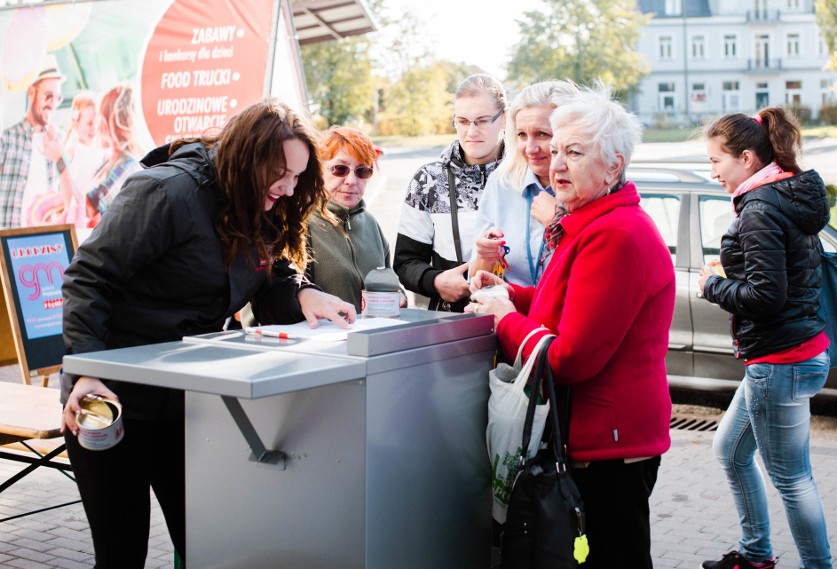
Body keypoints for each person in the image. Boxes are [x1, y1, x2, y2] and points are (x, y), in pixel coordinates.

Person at [61, 99, 357, 568]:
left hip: (188, 397)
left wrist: (302, 293)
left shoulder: (261, 201)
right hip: (110, 392)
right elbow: (89, 278)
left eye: (298, 176)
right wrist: (87, 371)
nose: (287, 185)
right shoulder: (167, 192)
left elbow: (270, 271)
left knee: (209, 543)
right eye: (280, 172)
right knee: (121, 552)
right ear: (246, 157)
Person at [468, 85, 674, 569]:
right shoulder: (589, 222)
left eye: (574, 152)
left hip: (611, 444)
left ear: (614, 166)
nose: (555, 164)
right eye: (555, 149)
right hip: (595, 437)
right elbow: (562, 307)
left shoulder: (615, 235)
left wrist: (504, 319)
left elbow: (571, 358)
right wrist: (508, 295)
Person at [697, 107, 833, 569]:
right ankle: (756, 553)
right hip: (792, 354)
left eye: (717, 161)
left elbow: (766, 296)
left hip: (781, 361)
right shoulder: (784, 195)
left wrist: (711, 285)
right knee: (730, 452)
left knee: (792, 479)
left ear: (748, 159)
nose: (712, 171)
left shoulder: (760, 207)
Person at [394, 73, 506, 311]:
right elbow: (406, 263)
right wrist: (434, 281)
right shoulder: (428, 180)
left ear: (504, 119)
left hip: (519, 319)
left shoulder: (525, 176)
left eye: (482, 121)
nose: (471, 131)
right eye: (463, 121)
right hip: (452, 322)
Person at [468, 80, 577, 286]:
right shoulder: (501, 183)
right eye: (522, 135)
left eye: (543, 134)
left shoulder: (592, 190)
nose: (530, 148)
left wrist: (559, 222)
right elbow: (475, 281)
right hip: (508, 314)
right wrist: (485, 257)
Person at [307, 126, 402, 310]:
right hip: (320, 337)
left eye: (362, 171)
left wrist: (399, 297)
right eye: (340, 169)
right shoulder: (299, 226)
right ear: (318, 171)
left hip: (371, 337)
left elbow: (390, 283)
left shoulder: (371, 224)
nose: (351, 180)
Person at [0, 57, 69, 228]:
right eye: (48, 96)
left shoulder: (60, 141)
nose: (53, 104)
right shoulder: (7, 138)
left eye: (58, 98)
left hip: (44, 244)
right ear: (31, 93)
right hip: (8, 242)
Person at [84, 83, 142, 226]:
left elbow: (91, 208)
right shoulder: (110, 161)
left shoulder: (129, 165)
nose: (97, 124)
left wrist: (62, 164)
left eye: (100, 115)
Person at [62, 90, 106, 229]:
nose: (93, 128)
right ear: (76, 122)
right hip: (74, 218)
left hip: (95, 220)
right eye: (89, 123)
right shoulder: (69, 153)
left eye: (96, 123)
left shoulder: (104, 154)